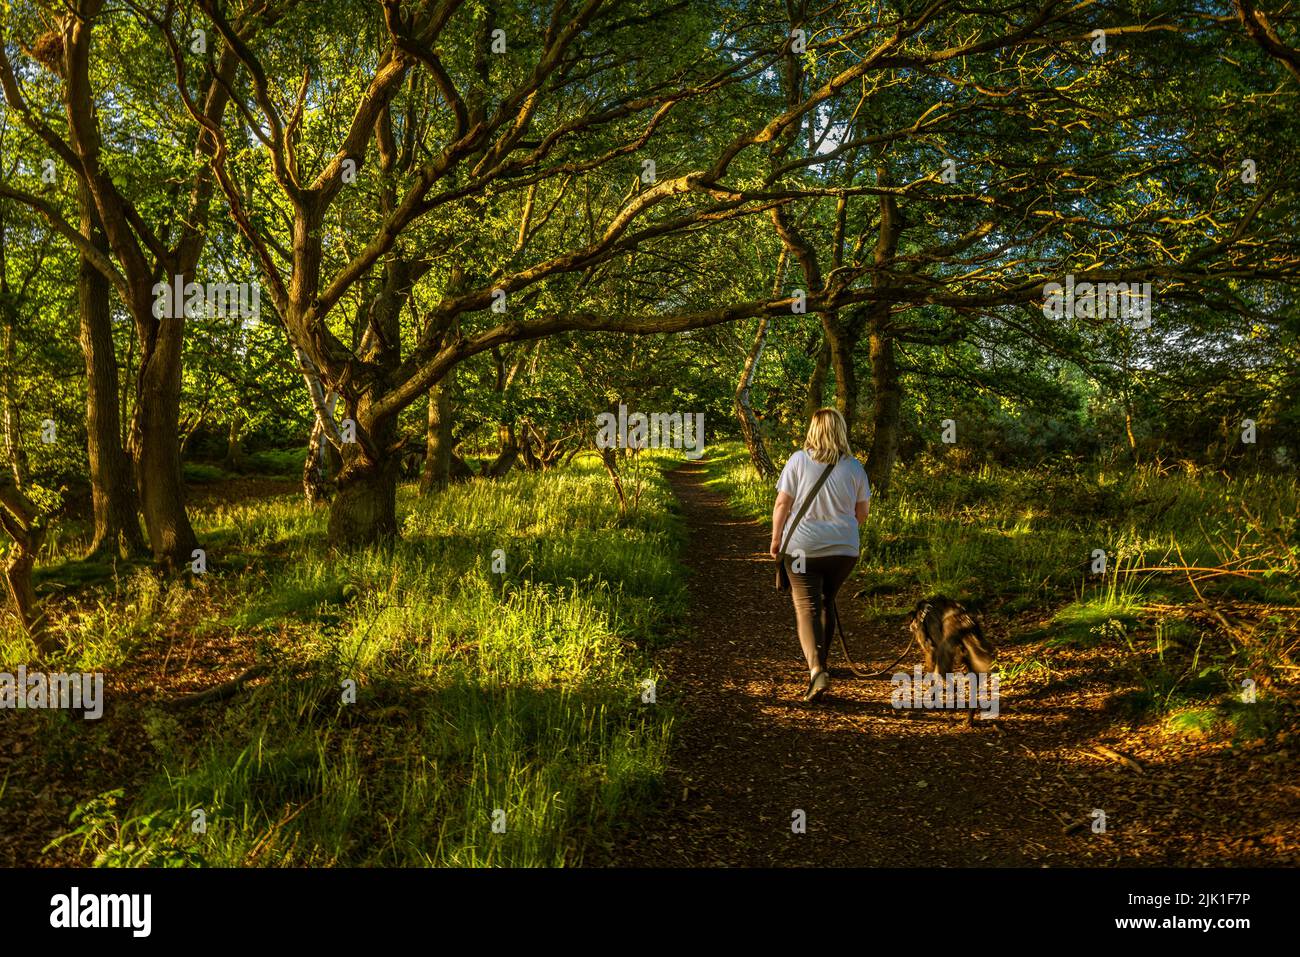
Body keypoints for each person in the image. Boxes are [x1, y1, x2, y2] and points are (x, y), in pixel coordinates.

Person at [769, 408, 871, 703]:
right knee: (825, 600)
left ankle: (816, 671)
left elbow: (782, 504)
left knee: (806, 607)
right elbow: (861, 514)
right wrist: (838, 530)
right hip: (844, 552)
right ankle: (822, 665)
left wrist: (776, 539)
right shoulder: (855, 468)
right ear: (841, 430)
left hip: (803, 550)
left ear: (814, 430)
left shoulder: (799, 460)